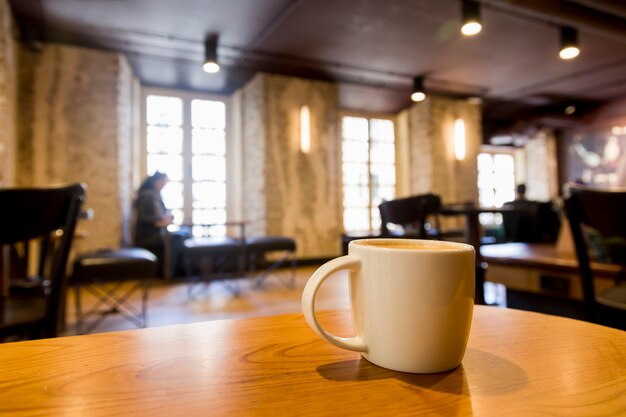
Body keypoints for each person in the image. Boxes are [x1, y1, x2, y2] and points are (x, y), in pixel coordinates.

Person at [133, 172, 188, 277]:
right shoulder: (147, 195)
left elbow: (161, 213)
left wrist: (166, 217)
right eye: (162, 181)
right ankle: (171, 272)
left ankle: (175, 270)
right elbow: (142, 217)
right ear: (156, 181)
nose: (164, 184)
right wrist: (160, 219)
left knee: (183, 233)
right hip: (149, 235)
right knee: (178, 237)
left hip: (158, 232)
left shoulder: (155, 194)